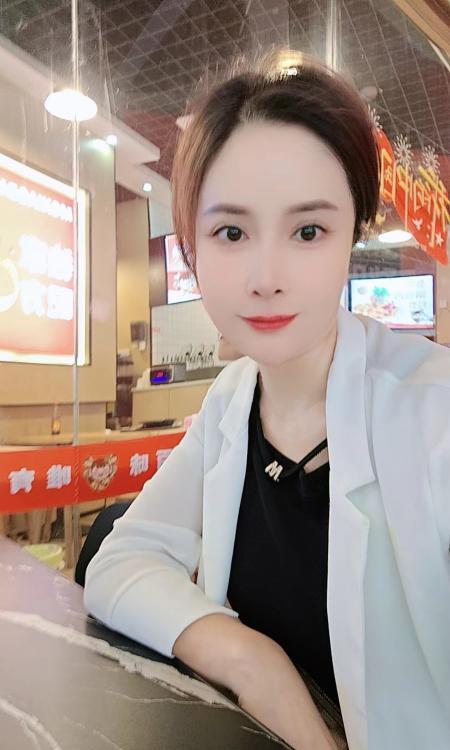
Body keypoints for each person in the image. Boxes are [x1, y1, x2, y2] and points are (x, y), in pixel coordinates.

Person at [84, 50, 450, 750]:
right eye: (231, 232)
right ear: (192, 248)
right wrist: (254, 662)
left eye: (308, 231)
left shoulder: (433, 414)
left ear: (352, 235)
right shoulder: (232, 401)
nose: (266, 276)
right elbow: (121, 560)